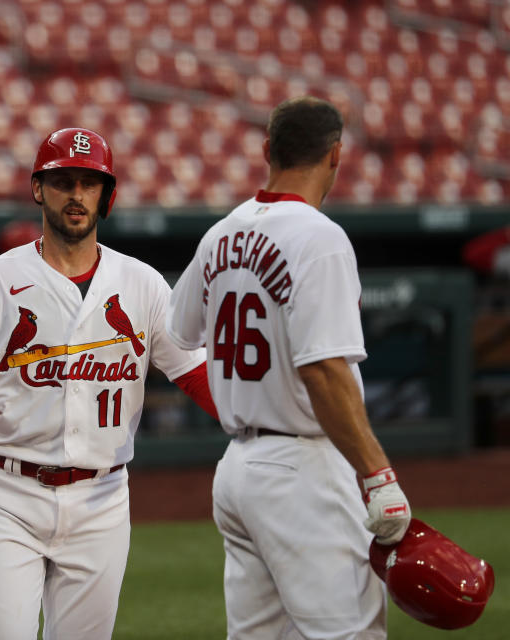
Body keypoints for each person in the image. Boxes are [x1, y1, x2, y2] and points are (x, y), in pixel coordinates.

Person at [0, 127, 218, 639]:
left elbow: (194, 374)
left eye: (89, 183)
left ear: (106, 194)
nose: (76, 195)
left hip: (103, 497)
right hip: (9, 493)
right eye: (63, 182)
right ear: (39, 188)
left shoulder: (142, 283)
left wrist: (261, 424)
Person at [166, 97, 412, 639]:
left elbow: (175, 334)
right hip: (304, 469)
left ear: (266, 151)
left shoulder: (220, 234)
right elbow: (324, 371)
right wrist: (378, 475)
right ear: (336, 155)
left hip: (237, 472)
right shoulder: (320, 238)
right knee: (348, 633)